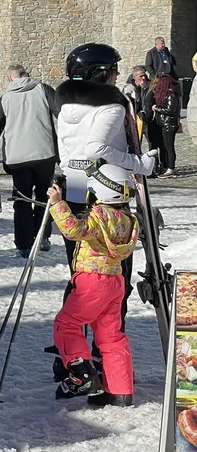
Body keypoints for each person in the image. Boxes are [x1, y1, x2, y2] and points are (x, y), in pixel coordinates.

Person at [55, 43, 156, 341]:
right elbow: (96, 148)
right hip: (107, 196)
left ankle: (71, 350)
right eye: (113, 71)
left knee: (82, 275)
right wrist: (139, 163)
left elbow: (71, 154)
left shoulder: (67, 108)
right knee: (114, 277)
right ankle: (105, 349)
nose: (116, 77)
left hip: (74, 187)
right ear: (99, 74)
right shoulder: (111, 106)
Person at [48, 162, 139, 406]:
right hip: (115, 281)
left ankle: (82, 374)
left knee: (67, 324)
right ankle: (120, 390)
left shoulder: (99, 215)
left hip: (92, 279)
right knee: (111, 337)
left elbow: (73, 230)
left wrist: (58, 204)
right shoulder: (128, 219)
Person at [0, 63, 60, 258]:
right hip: (44, 154)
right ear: (27, 74)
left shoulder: (5, 98)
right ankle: (42, 236)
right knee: (44, 197)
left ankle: (23, 244)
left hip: (18, 158)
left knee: (22, 200)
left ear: (10, 78)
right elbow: (62, 113)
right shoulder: (43, 90)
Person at [144, 73, 181, 177]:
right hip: (165, 123)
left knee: (169, 147)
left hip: (169, 124)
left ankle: (170, 168)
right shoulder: (169, 94)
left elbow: (170, 110)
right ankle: (166, 167)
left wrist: (156, 108)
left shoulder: (171, 95)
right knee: (165, 146)